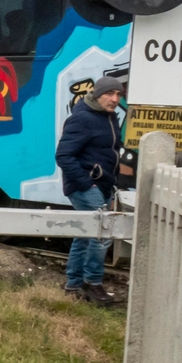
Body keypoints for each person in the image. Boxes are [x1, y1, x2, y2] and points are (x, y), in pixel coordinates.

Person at [55, 75, 124, 306]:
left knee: (85, 234)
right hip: (84, 185)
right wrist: (86, 183)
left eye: (118, 95)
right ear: (97, 94)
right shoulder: (83, 118)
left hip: (103, 184)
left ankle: (73, 285)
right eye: (109, 94)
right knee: (102, 234)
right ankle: (93, 282)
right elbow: (63, 155)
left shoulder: (110, 117)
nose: (114, 99)